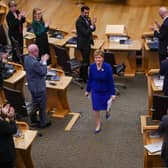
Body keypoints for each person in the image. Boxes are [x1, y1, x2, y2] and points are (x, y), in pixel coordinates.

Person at [85, 50, 116, 134]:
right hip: (95, 90)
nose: (97, 60)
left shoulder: (107, 67)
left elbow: (111, 81)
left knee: (107, 105)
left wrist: (113, 93)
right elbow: (90, 79)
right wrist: (87, 90)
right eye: (95, 58)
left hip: (105, 90)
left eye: (99, 57)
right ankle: (98, 124)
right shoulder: (92, 67)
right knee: (96, 108)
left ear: (102, 58)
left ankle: (108, 111)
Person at [24, 44, 51, 128]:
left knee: (35, 103)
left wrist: (41, 62)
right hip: (38, 87)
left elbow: (36, 67)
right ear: (35, 51)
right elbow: (43, 72)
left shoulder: (27, 58)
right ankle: (43, 123)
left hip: (32, 86)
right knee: (41, 106)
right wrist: (44, 61)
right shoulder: (35, 63)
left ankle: (33, 119)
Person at [75, 5, 96, 82]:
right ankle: (85, 78)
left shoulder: (87, 18)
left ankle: (82, 76)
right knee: (86, 61)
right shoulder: (79, 21)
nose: (87, 14)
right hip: (83, 44)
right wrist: (91, 26)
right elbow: (85, 33)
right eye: (85, 13)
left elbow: (93, 29)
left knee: (85, 60)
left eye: (88, 13)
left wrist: (93, 25)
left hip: (87, 42)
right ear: (81, 12)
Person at [0, 103, 17, 168]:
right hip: (4, 155)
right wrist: (11, 117)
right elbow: (13, 130)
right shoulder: (2, 124)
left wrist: (3, 115)